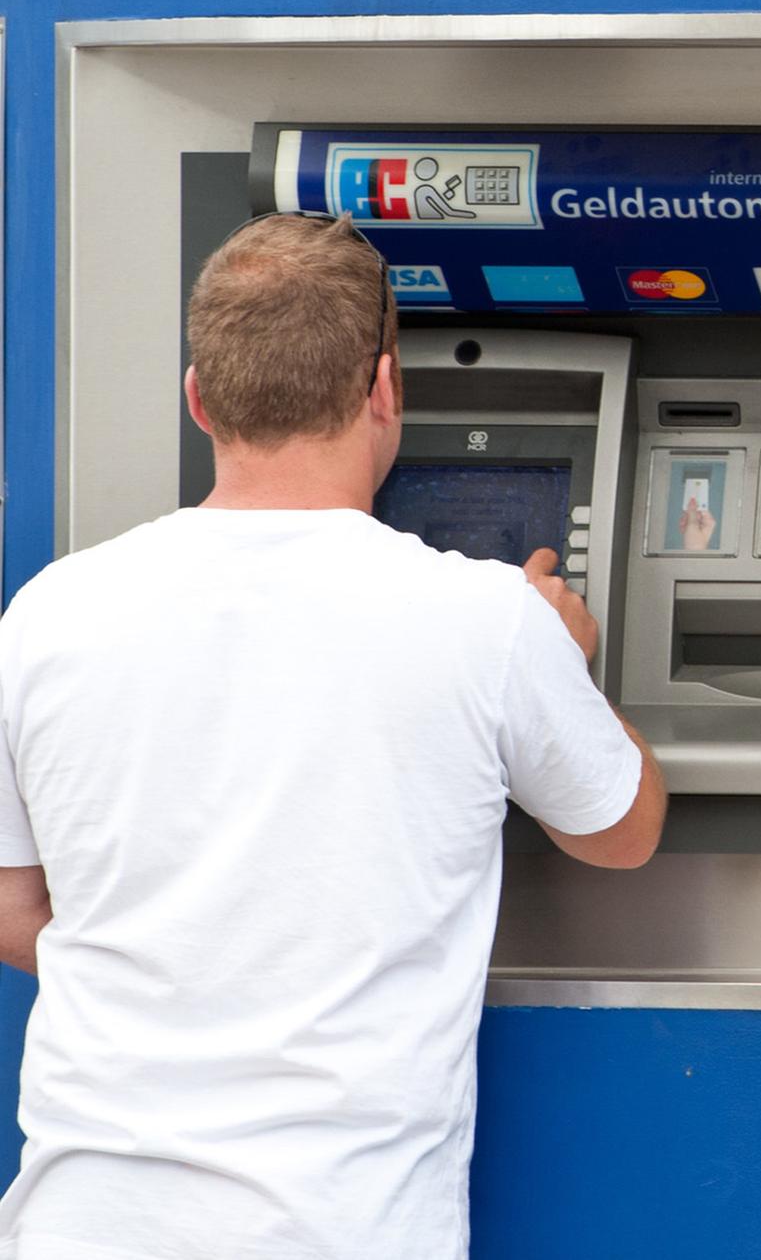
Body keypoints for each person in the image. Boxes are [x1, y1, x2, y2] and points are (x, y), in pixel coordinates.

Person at [0, 212, 669, 1260]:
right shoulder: (490, 621)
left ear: (200, 399)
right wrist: (568, 661)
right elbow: (622, 829)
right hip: (336, 1229)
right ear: (386, 389)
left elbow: (11, 903)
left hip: (82, 1226)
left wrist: (186, 974)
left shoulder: (47, 614)